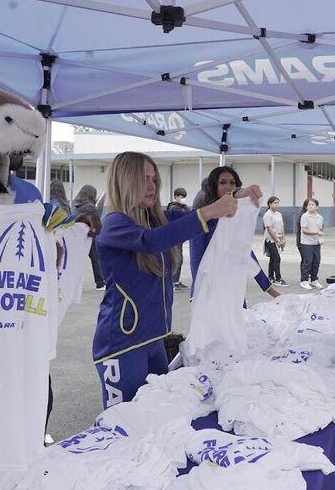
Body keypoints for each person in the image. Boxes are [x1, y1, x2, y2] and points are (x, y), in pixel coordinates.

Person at [92, 152, 261, 408]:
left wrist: (235, 197)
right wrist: (208, 212)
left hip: (154, 339)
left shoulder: (154, 218)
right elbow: (152, 241)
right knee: (123, 422)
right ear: (124, 181)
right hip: (121, 346)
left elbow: (192, 219)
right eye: (144, 179)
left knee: (158, 411)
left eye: (154, 179)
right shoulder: (113, 224)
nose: (152, 185)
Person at [191, 166, 281, 300]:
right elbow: (196, 257)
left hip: (233, 285)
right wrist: (198, 291)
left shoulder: (235, 216)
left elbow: (246, 253)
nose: (228, 187)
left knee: (239, 316)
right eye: (222, 182)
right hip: (210, 288)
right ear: (213, 185)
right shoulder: (204, 213)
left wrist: (269, 289)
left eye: (232, 183)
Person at [73, 184, 105, 290]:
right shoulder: (90, 207)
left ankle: (75, 284)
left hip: (76, 236)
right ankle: (100, 282)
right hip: (88, 236)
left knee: (77, 261)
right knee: (96, 259)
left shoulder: (75, 204)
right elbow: (97, 218)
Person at [167, 187, 191, 291]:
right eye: (181, 197)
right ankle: (173, 282)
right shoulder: (173, 208)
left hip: (180, 238)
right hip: (174, 237)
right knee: (177, 260)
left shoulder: (183, 207)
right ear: (176, 196)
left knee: (180, 260)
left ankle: (176, 281)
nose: (183, 199)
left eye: (184, 197)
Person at [299, 198, 324, 289]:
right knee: (307, 262)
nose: (310, 206)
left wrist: (320, 238)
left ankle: (314, 280)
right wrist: (316, 233)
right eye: (309, 205)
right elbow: (304, 230)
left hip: (316, 243)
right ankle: (304, 281)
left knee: (316, 262)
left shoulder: (320, 217)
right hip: (306, 243)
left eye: (312, 204)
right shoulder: (305, 216)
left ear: (317, 207)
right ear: (306, 207)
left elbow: (320, 229)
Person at [263, 196, 288, 286]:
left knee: (273, 258)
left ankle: (270, 277)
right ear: (270, 204)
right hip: (270, 240)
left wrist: (283, 239)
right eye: (275, 203)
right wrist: (277, 240)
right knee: (277, 258)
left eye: (278, 203)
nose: (277, 204)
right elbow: (269, 229)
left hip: (278, 238)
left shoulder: (279, 214)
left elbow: (282, 227)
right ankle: (278, 278)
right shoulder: (267, 215)